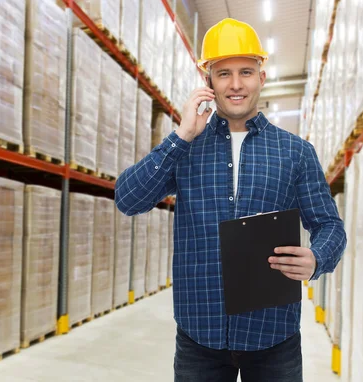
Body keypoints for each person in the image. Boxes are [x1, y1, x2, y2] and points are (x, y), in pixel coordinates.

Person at [115, 18, 346, 382]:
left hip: (273, 336)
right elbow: (128, 199)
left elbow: (329, 225)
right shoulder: (186, 148)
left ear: (262, 77)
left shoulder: (296, 152)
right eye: (223, 73)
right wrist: (181, 135)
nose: (236, 84)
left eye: (246, 72)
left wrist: (318, 258)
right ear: (208, 81)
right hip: (199, 336)